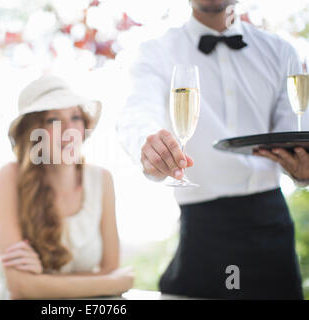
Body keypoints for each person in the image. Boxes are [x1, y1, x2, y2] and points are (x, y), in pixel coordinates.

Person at [117, 0, 308, 299]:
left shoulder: (281, 51)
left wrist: (302, 171)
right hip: (201, 230)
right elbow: (136, 114)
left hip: (271, 224)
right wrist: (148, 144)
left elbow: (295, 134)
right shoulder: (157, 51)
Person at [0, 75, 134, 299]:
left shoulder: (102, 179)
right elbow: (20, 286)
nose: (69, 129)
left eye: (75, 117)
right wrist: (114, 282)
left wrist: (41, 282)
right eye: (53, 120)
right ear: (33, 131)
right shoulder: (9, 177)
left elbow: (110, 268)